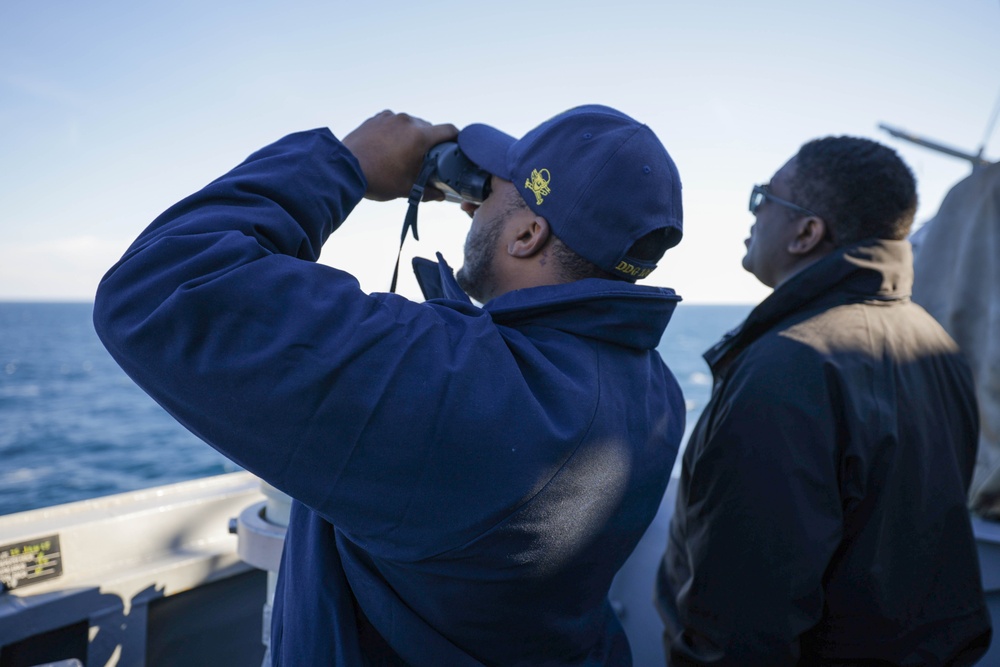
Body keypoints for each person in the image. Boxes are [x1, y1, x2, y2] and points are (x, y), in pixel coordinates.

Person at [93, 104, 687, 665]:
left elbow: (159, 285)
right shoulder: (654, 393)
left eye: (489, 195)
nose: (470, 207)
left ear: (528, 235)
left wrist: (345, 163)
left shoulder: (461, 388)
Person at [656, 136, 992, 666]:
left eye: (763, 197)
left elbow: (743, 617)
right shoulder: (935, 345)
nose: (753, 212)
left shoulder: (788, 366)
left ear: (807, 232)